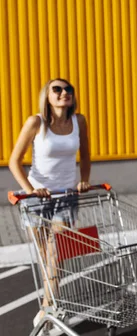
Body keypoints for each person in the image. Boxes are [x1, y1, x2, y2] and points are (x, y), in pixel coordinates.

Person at [8, 78, 91, 326]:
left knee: (57, 255)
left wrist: (84, 180)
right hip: (37, 197)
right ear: (47, 95)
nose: (64, 93)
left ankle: (48, 308)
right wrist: (31, 189)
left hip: (65, 196)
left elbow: (85, 155)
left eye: (68, 89)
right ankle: (52, 304)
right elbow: (14, 161)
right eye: (57, 89)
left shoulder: (79, 121)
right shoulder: (36, 122)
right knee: (46, 257)